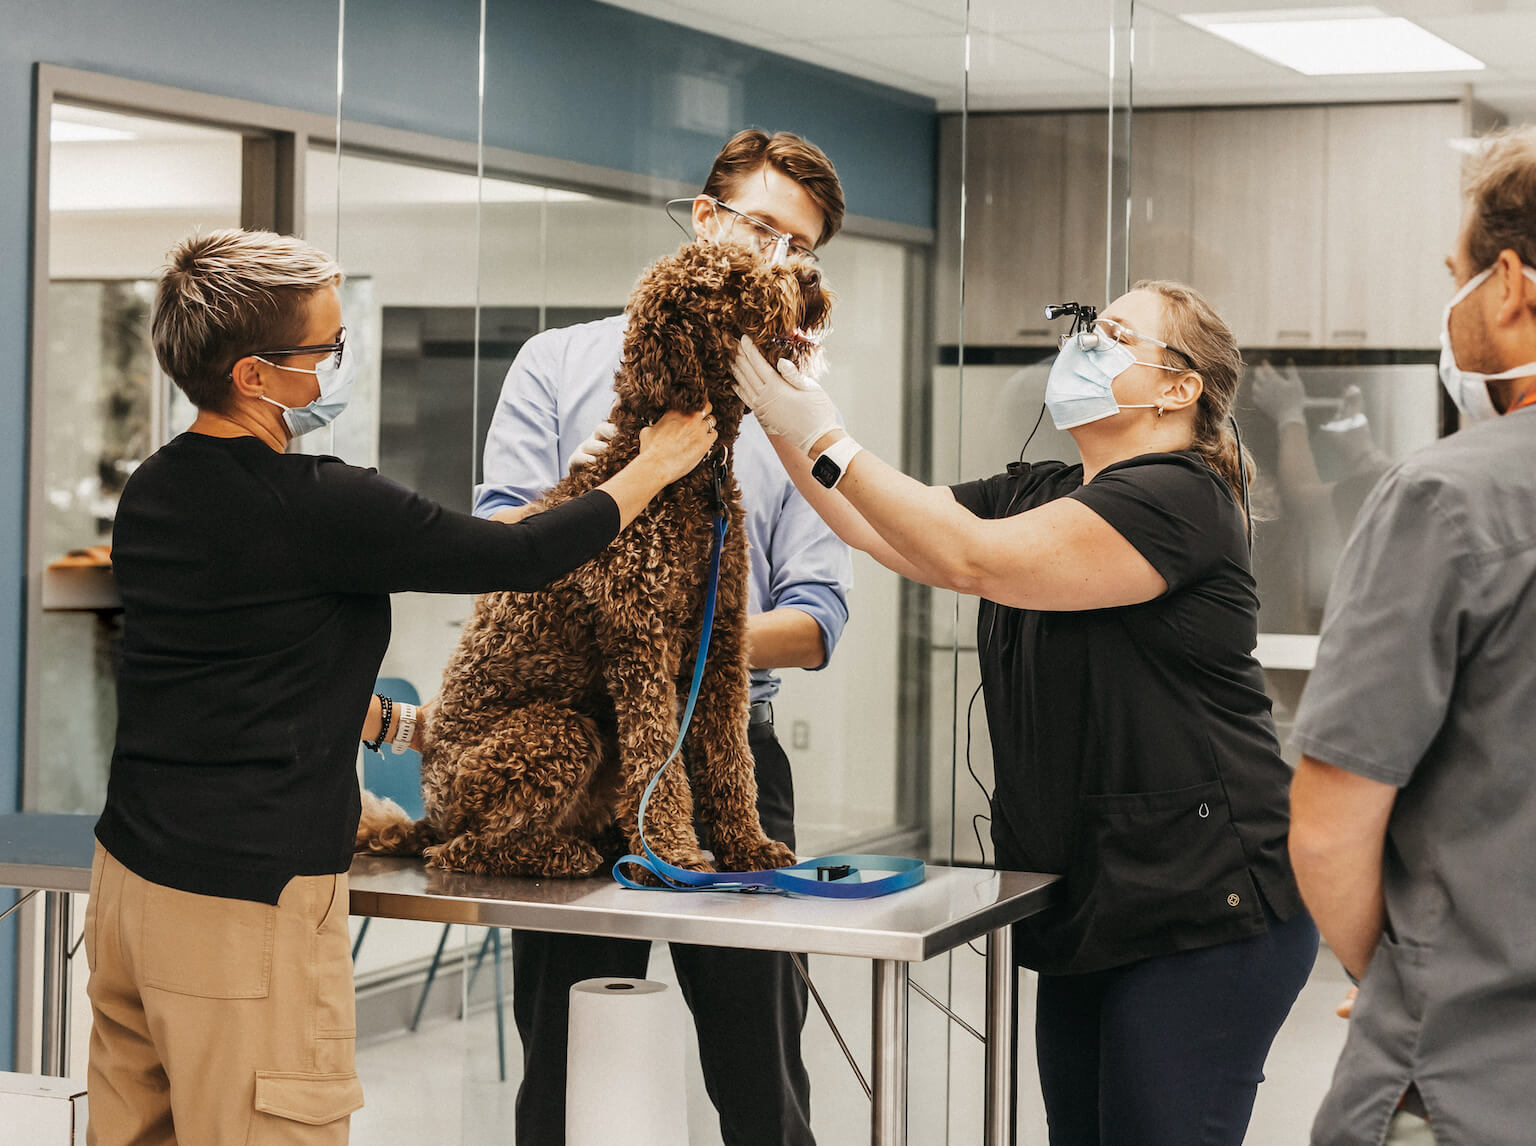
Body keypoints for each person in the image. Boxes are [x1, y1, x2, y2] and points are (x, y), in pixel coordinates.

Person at [82, 228, 720, 1146]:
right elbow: (520, 554)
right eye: (327, 350)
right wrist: (651, 466)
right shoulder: (321, 503)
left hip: (132, 885)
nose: (342, 364)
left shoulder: (155, 488)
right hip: (246, 906)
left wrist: (393, 720)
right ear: (256, 376)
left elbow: (228, 655)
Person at [732, 280, 1317, 1146]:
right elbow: (873, 526)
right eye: (1085, 325)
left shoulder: (1180, 497)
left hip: (1208, 906)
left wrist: (822, 426)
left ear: (1178, 387)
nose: (1084, 343)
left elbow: (970, 559)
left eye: (1114, 333)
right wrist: (780, 406)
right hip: (1094, 899)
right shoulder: (1041, 488)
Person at [474, 129, 852, 1146]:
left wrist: (682, 658)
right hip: (578, 755)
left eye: (799, 250)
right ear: (704, 217)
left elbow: (817, 620)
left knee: (759, 1066)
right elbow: (504, 541)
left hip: (728, 755)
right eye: (764, 229)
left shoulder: (801, 411)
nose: (776, 260)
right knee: (561, 1063)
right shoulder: (558, 367)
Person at [1285, 127, 1536, 1146]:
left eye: (1457, 277)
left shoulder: (1450, 497)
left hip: (1471, 1078)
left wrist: (1398, 976)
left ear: (1511, 281)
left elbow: (1330, 826)